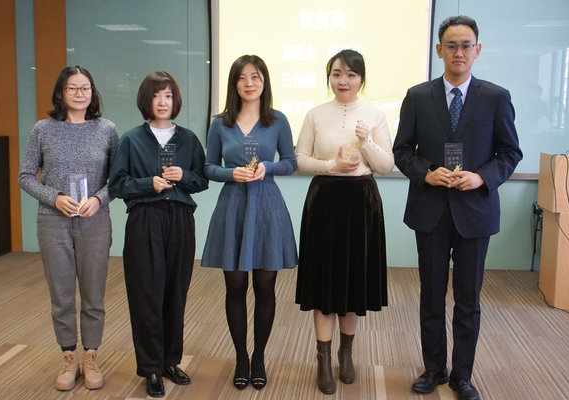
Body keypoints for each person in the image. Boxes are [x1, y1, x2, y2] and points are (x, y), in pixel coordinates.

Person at [392, 16, 522, 400]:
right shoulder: (418, 96)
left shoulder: (496, 97)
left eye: (466, 45)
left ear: (477, 50)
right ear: (439, 50)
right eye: (451, 45)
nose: (459, 52)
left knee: (468, 300)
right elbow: (402, 151)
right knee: (431, 297)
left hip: (475, 212)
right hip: (430, 211)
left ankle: (462, 376)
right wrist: (427, 173)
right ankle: (434, 369)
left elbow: (510, 153)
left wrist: (481, 178)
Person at [295, 49, 394, 395]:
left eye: (351, 74)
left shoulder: (375, 115)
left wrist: (366, 142)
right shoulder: (315, 114)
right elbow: (300, 159)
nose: (343, 81)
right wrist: (330, 166)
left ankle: (346, 354)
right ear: (329, 78)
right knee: (324, 283)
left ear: (361, 79)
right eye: (337, 74)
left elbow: (386, 166)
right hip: (324, 201)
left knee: (353, 282)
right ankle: (323, 360)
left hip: (361, 203)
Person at [108, 71, 208, 398]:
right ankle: (150, 367)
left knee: (175, 292)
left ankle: (170, 361)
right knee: (146, 294)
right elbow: (117, 185)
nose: (162, 102)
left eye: (168, 95)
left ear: (175, 100)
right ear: (145, 100)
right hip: (145, 219)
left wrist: (184, 175)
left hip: (180, 219)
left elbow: (202, 180)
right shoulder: (131, 140)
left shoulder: (188, 139)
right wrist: (146, 184)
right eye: (155, 95)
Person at [18, 66, 118, 391]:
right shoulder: (43, 129)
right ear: (61, 93)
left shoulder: (107, 130)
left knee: (93, 294)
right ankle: (69, 357)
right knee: (61, 295)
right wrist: (54, 197)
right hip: (53, 221)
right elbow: (25, 176)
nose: (79, 94)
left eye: (85, 88)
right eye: (72, 88)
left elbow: (118, 179)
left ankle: (91, 356)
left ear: (93, 92)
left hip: (94, 221)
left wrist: (99, 200)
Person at [201, 55, 297, 391]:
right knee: (235, 286)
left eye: (255, 77)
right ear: (234, 83)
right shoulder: (220, 123)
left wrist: (267, 168)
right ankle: (241, 357)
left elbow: (290, 163)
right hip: (234, 207)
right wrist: (232, 173)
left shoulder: (277, 120)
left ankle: (259, 357)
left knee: (266, 286)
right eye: (242, 78)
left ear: (264, 81)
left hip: (267, 205)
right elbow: (209, 168)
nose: (249, 83)